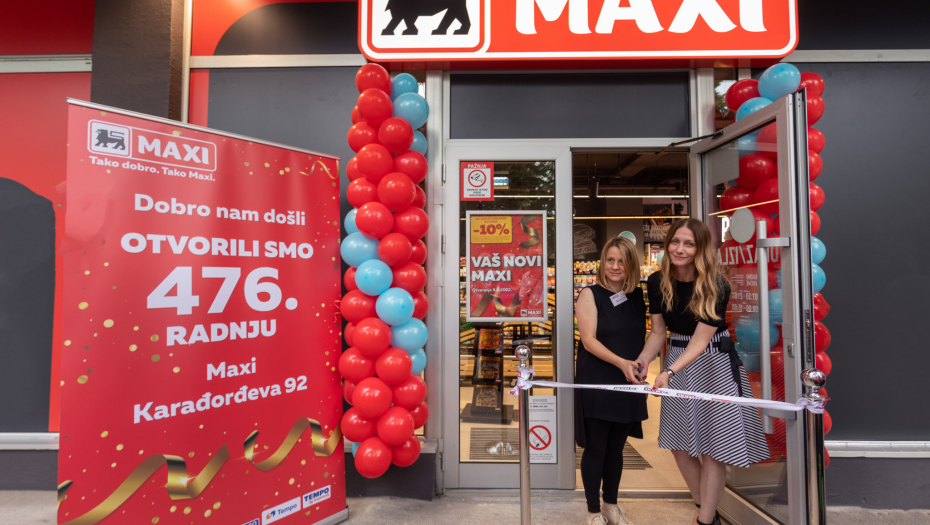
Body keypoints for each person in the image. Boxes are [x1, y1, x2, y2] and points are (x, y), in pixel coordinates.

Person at [636, 219, 768, 525]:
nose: (680, 249)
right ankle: (705, 507)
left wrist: (668, 371)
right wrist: (641, 362)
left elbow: (700, 342)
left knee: (713, 448)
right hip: (677, 358)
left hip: (713, 363)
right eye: (675, 242)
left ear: (701, 249)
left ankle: (705, 519)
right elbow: (658, 332)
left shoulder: (717, 284)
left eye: (689, 244)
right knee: (678, 445)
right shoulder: (656, 282)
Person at [574, 237, 646, 525]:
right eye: (610, 260)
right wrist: (622, 364)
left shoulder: (637, 296)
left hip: (628, 382)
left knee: (617, 449)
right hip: (598, 380)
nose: (615, 266)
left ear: (631, 265)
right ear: (602, 262)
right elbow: (588, 341)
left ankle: (610, 506)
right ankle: (593, 512)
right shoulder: (589, 294)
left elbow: (645, 337)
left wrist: (640, 366)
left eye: (621, 261)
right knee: (596, 448)